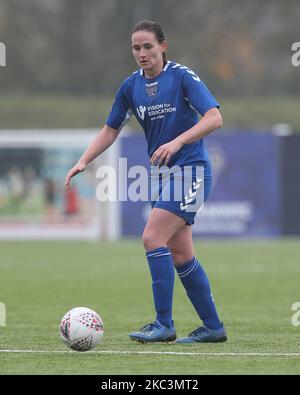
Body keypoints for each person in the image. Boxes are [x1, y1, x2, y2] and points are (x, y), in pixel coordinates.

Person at [65, 20, 227, 344]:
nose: (142, 53)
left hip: (192, 170)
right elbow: (111, 129)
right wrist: (85, 159)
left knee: (153, 237)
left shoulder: (182, 77)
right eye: (136, 48)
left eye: (148, 47)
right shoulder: (130, 87)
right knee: (180, 254)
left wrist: (178, 142)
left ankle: (163, 324)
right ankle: (212, 327)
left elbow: (214, 117)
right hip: (161, 176)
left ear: (163, 46)